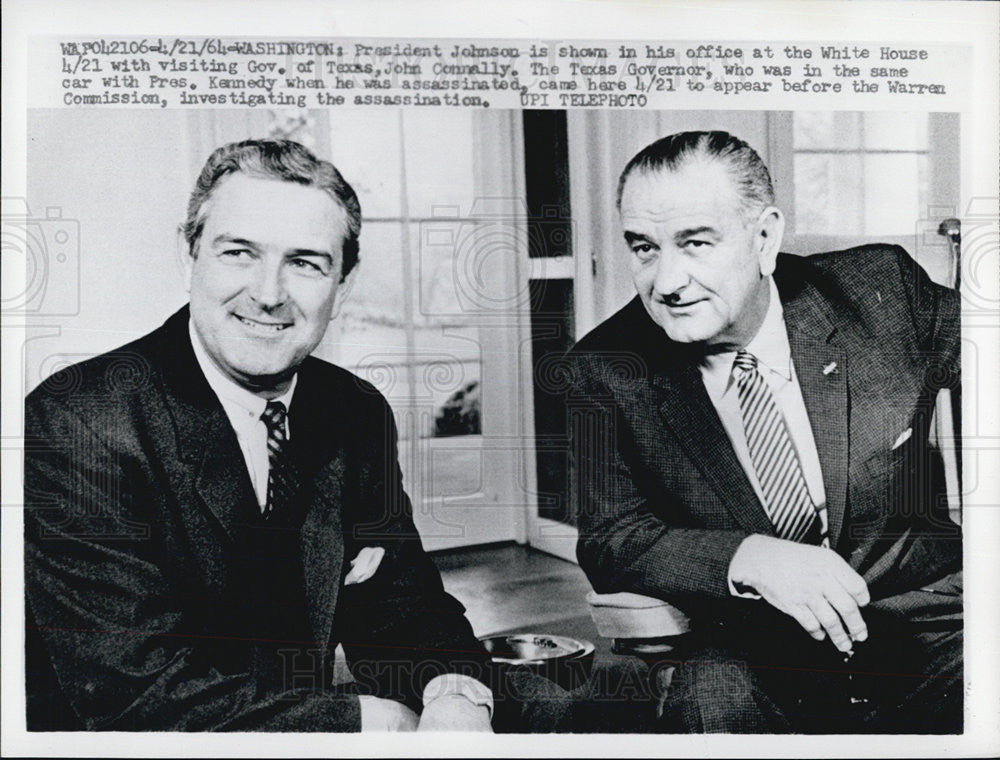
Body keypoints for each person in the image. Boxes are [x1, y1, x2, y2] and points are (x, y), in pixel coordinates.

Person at [25, 139, 567, 732]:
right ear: (190, 257)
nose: (268, 293)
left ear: (346, 282)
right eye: (238, 253)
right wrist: (371, 723)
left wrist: (455, 695)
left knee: (547, 707)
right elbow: (133, 696)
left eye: (306, 262)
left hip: (293, 725)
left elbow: (405, 606)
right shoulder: (76, 421)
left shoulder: (353, 410)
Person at [567, 131, 962, 733]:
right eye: (644, 248)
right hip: (758, 640)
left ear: (765, 237)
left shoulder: (880, 294)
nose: (667, 282)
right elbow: (612, 540)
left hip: (926, 620)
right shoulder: (604, 368)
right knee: (713, 696)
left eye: (695, 243)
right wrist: (751, 557)